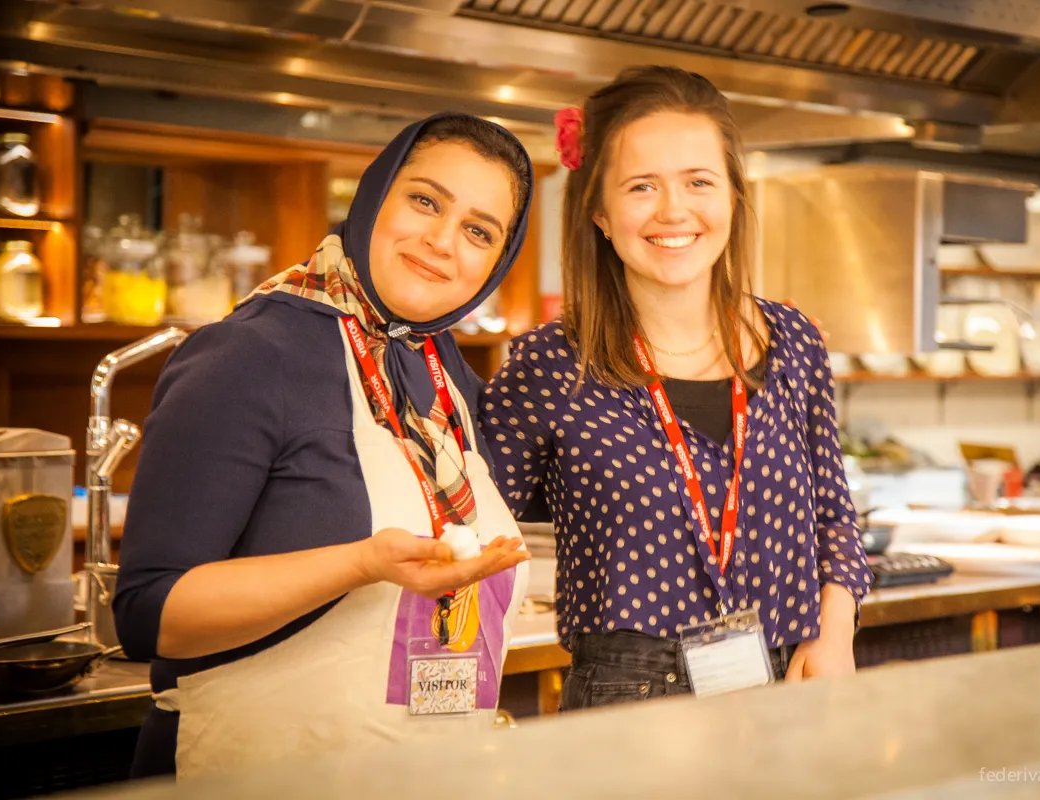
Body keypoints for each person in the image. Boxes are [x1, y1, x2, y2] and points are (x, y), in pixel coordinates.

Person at [113, 112, 533, 778]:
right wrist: (361, 563)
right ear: (373, 195)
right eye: (425, 200)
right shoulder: (248, 355)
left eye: (478, 231)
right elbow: (149, 615)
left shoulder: (442, 371)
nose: (442, 241)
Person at [479, 66, 872, 710]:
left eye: (698, 182)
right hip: (628, 696)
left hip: (791, 678)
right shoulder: (552, 365)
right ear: (600, 212)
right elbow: (468, 525)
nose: (674, 211)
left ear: (732, 199)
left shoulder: (794, 340)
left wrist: (836, 633)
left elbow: (833, 514)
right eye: (642, 186)